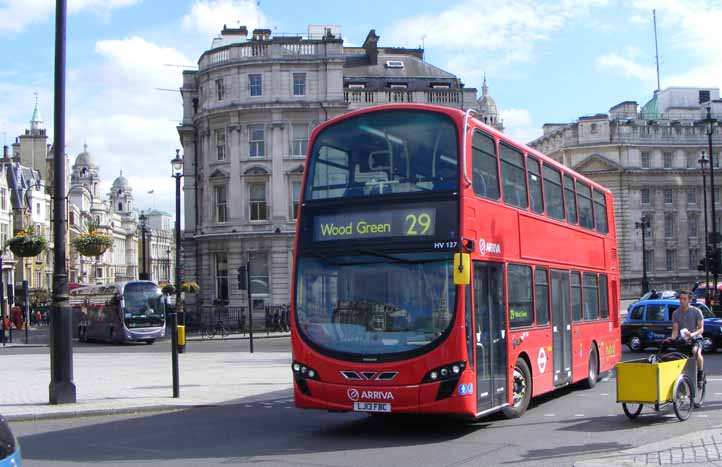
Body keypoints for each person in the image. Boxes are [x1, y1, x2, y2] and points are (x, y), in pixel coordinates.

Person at [671, 290, 705, 386]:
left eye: (684, 299)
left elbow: (701, 329)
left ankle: (700, 374)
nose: (681, 301)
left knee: (695, 351)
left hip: (696, 338)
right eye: (680, 298)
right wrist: (672, 338)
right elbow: (675, 330)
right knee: (676, 358)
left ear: (689, 300)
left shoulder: (696, 311)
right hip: (683, 339)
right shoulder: (675, 313)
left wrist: (692, 334)